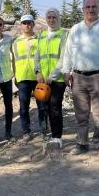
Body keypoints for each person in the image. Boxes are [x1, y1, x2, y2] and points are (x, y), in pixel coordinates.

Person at [61, 0, 99, 158]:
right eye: (88, 7)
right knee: (81, 113)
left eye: (94, 6)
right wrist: (66, 71)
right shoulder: (75, 29)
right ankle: (81, 144)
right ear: (83, 9)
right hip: (78, 77)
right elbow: (68, 52)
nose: (91, 9)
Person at [34, 8, 68, 149]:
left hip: (57, 79)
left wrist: (52, 76)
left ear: (58, 18)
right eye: (49, 17)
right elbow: (37, 55)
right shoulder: (42, 35)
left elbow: (63, 57)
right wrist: (38, 72)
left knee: (55, 106)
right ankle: (49, 132)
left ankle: (57, 137)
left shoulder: (63, 35)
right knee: (46, 106)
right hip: (43, 79)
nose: (51, 20)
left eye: (54, 17)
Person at [12, 14, 45, 141]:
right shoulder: (16, 42)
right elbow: (14, 60)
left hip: (38, 78)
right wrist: (15, 76)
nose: (27, 25)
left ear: (33, 24)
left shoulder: (40, 40)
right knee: (24, 106)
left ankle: (43, 129)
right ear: (21, 25)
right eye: (24, 23)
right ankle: (26, 131)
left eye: (29, 22)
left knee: (42, 106)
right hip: (23, 78)